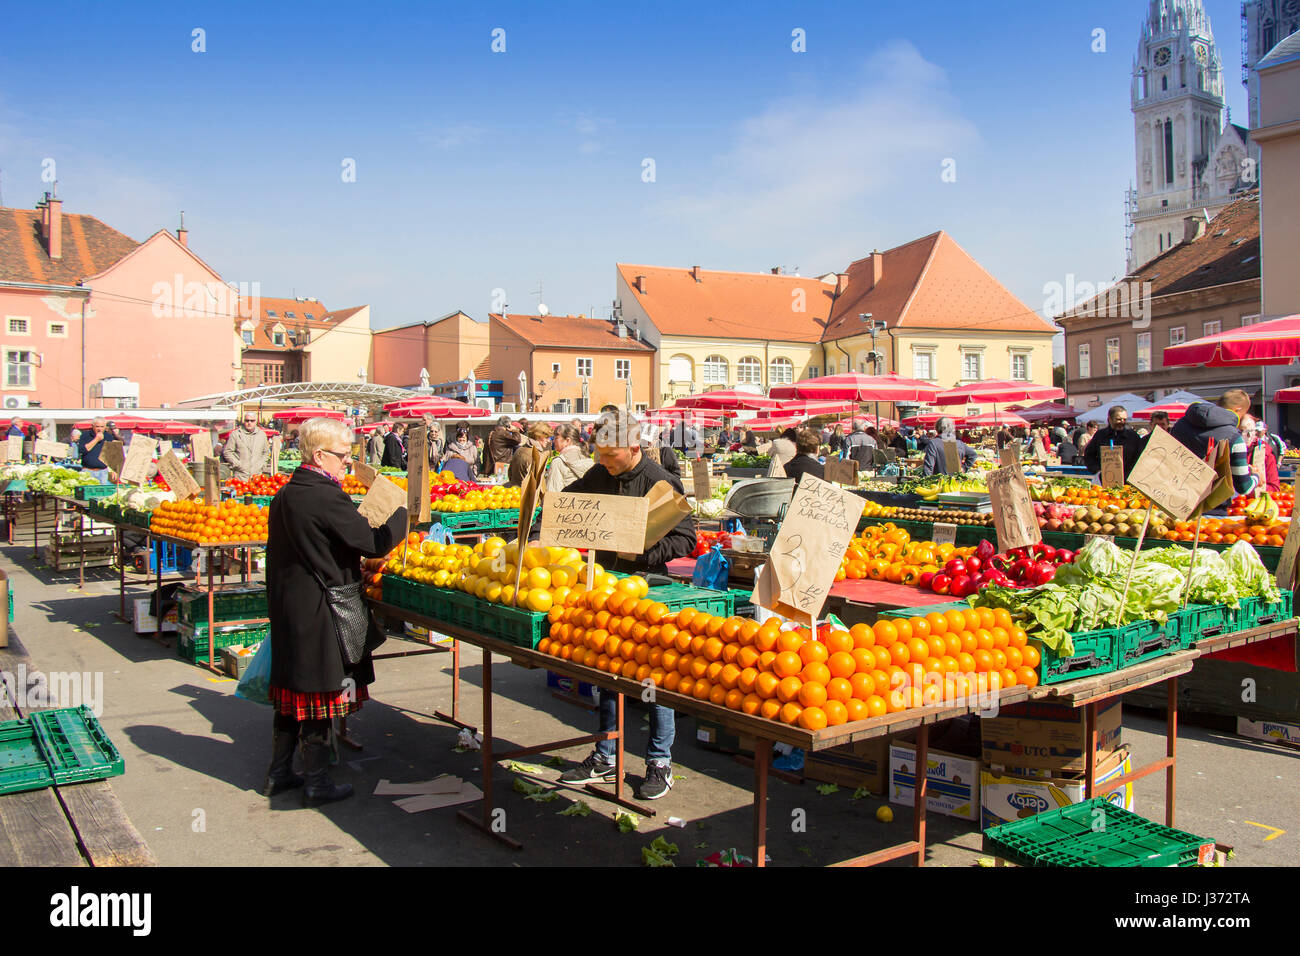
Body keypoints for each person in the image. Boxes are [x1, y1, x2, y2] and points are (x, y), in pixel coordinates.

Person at [263, 417, 407, 807]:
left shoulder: (287, 493)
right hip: (320, 609)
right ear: (319, 454)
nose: (347, 463)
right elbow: (372, 542)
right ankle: (317, 782)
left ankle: (279, 773)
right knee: (316, 696)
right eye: (343, 456)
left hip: (291, 606)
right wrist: (401, 515)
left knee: (293, 692)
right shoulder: (324, 496)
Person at [557, 410, 694, 801]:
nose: (602, 462)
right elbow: (567, 506)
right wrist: (544, 529)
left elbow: (685, 540)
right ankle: (605, 755)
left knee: (653, 675)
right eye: (599, 455)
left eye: (610, 456)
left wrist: (640, 551)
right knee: (604, 669)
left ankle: (659, 761)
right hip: (604, 586)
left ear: (634, 448)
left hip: (648, 588)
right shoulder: (599, 474)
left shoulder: (661, 483)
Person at [1169, 389, 1260, 498]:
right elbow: (1244, 487)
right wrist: (1256, 476)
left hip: (1173, 499)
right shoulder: (1234, 438)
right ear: (1238, 410)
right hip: (1213, 506)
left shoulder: (1181, 423)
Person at [1082, 406, 1141, 478]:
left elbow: (1140, 457)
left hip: (1128, 480)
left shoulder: (1133, 436)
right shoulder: (1100, 435)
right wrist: (1096, 470)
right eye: (1118, 419)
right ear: (1110, 419)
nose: (1122, 422)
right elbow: (1089, 455)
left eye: (1124, 419)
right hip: (1106, 478)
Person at [222, 412, 271, 481]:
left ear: (256, 421)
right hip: (240, 475)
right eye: (247, 420)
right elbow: (227, 452)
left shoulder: (262, 435)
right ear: (244, 421)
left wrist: (261, 464)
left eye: (252, 421)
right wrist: (238, 464)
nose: (249, 423)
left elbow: (266, 452)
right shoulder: (236, 434)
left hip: (257, 476)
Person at [546, 424, 594, 492]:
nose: (553, 441)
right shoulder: (589, 459)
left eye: (556, 438)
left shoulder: (558, 462)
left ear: (567, 441)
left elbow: (552, 494)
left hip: (566, 501)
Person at [507, 421, 554, 486]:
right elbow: (539, 483)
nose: (548, 440)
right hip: (527, 494)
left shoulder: (520, 449)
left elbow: (510, 474)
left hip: (516, 491)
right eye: (546, 437)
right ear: (539, 436)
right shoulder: (535, 454)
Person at [1242, 416, 1281, 493]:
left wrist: (1255, 482)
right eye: (1241, 431)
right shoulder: (1224, 448)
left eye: (1251, 431)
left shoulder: (1264, 450)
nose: (1248, 435)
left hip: (1252, 501)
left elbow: (1274, 488)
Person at [76, 417, 115, 482]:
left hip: (103, 471)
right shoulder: (85, 435)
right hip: (88, 471)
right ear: (93, 426)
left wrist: (114, 470)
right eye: (97, 426)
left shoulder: (108, 436)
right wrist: (96, 439)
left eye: (102, 427)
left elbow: (111, 454)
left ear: (105, 427)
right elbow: (81, 450)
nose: (100, 429)